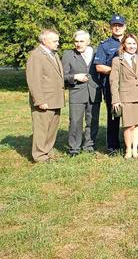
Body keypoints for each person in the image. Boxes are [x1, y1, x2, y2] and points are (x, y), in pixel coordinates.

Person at [26, 29, 64, 162]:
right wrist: (40, 100)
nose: (58, 43)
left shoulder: (53, 54)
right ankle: (40, 155)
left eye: (57, 40)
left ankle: (47, 152)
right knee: (42, 129)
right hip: (45, 101)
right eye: (55, 41)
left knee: (51, 129)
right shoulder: (36, 56)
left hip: (55, 99)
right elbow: (33, 80)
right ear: (44, 41)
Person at [61, 30, 102, 155]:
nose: (78, 44)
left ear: (88, 42)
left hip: (94, 92)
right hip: (77, 92)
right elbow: (62, 75)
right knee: (75, 121)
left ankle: (89, 145)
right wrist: (74, 77)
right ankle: (74, 148)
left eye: (81, 41)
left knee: (92, 120)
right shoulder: (68, 55)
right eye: (76, 41)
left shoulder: (97, 53)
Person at [110, 34, 138, 158]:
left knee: (137, 124)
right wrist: (115, 100)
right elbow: (114, 81)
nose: (132, 46)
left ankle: (135, 149)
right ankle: (128, 150)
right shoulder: (117, 60)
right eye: (129, 43)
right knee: (128, 125)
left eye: (134, 44)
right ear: (124, 45)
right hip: (125, 97)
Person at [94, 14, 126, 153]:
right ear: (111, 28)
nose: (117, 28)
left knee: (130, 114)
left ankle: (130, 143)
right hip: (111, 85)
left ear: (125, 27)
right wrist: (116, 71)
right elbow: (99, 66)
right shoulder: (105, 45)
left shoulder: (131, 42)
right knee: (114, 115)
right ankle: (113, 146)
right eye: (115, 26)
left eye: (120, 25)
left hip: (129, 86)